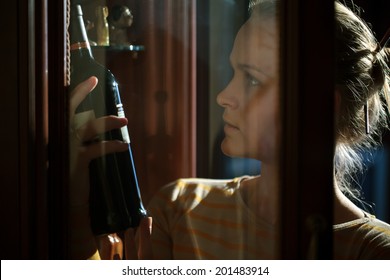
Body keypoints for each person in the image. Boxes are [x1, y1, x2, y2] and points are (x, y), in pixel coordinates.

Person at [69, 0, 390, 259]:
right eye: (234, 71)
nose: (224, 96)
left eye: (251, 78)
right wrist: (75, 207)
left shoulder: (372, 252)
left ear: (317, 106)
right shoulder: (181, 210)